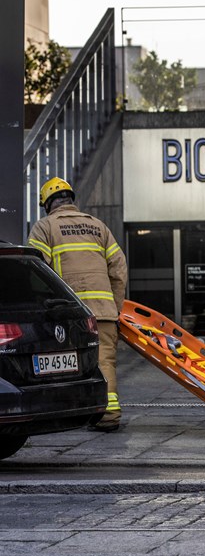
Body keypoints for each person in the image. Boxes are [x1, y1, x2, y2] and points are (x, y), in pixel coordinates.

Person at [28, 178, 128, 432]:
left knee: (60, 363)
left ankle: (61, 415)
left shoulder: (45, 227)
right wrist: (113, 307)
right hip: (103, 312)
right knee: (104, 362)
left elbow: (35, 271)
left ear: (48, 203)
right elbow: (119, 268)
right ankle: (109, 415)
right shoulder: (98, 227)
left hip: (67, 315)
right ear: (70, 199)